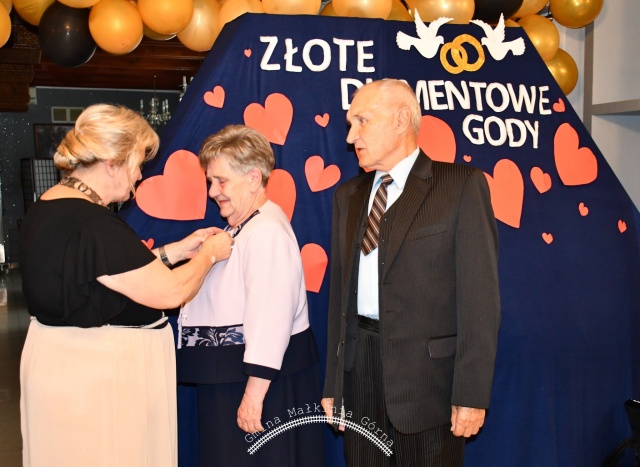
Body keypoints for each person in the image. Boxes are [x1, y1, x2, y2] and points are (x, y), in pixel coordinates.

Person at [19, 104, 233, 467]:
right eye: (137, 163)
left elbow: (107, 275)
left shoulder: (51, 207)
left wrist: (176, 251)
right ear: (112, 164)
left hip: (65, 369)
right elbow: (170, 292)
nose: (139, 175)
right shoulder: (94, 223)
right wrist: (211, 253)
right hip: (99, 384)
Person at [321, 79, 501, 466]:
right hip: (360, 374)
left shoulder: (460, 186)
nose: (351, 136)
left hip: (429, 383)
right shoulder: (348, 196)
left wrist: (471, 394)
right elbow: (339, 298)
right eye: (350, 124)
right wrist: (334, 383)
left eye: (362, 121)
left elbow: (480, 300)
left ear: (401, 120)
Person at [176, 124, 324, 467]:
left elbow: (272, 318)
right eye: (210, 181)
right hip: (234, 379)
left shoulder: (266, 231)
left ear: (254, 178)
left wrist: (254, 396)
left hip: (258, 386)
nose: (213, 191)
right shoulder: (246, 225)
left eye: (221, 181)